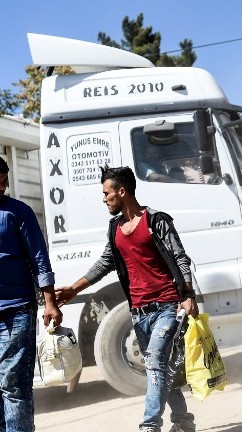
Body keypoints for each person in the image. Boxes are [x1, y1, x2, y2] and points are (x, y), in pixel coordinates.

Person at [55, 166, 198, 432]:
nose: (104, 198)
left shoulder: (156, 221)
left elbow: (181, 257)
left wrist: (188, 295)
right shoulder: (115, 229)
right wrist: (74, 289)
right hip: (139, 312)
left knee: (155, 361)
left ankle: (149, 425)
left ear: (122, 191)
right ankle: (183, 421)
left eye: (106, 193)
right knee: (159, 367)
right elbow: (105, 262)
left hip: (167, 306)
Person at [0, 156, 62, 432]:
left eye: (4, 182)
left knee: (12, 382)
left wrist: (50, 302)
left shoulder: (18, 212)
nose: (1, 187)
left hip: (17, 309)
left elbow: (39, 259)